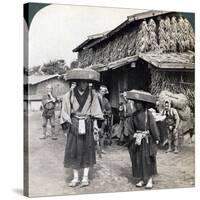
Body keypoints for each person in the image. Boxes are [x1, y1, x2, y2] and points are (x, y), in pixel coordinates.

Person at [60, 68, 103, 187]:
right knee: (74, 150)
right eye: (82, 82)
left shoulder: (92, 94)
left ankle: (85, 177)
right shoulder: (69, 95)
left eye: (86, 82)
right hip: (74, 124)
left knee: (87, 149)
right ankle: (75, 177)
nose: (84, 84)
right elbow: (65, 111)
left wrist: (95, 126)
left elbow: (95, 111)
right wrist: (67, 124)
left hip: (87, 123)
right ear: (78, 82)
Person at [125, 90, 160, 189]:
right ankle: (141, 179)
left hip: (147, 140)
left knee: (148, 159)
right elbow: (130, 127)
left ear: (143, 103)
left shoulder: (148, 114)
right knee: (138, 159)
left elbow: (153, 127)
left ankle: (149, 180)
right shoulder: (134, 115)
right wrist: (133, 135)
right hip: (137, 141)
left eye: (139, 103)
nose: (136, 104)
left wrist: (156, 138)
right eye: (135, 102)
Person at [97, 85, 112, 153]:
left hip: (102, 119)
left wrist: (105, 112)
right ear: (99, 90)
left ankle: (101, 149)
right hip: (94, 118)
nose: (103, 92)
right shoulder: (94, 98)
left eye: (104, 91)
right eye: (102, 91)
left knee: (101, 134)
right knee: (92, 133)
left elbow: (109, 110)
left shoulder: (105, 100)